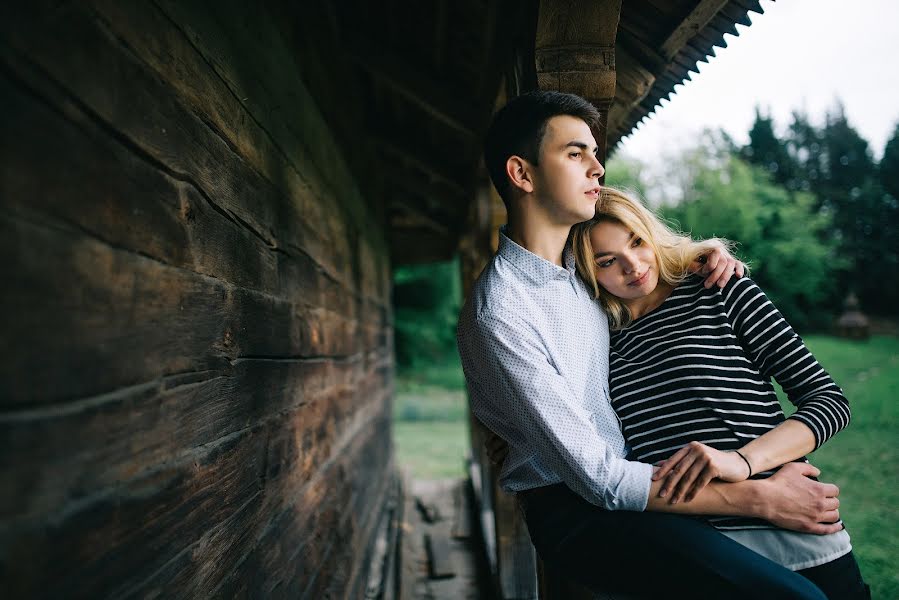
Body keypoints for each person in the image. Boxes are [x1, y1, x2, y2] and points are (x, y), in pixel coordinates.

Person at [457, 90, 842, 599]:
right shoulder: (502, 310)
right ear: (522, 175)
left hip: (637, 494)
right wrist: (759, 497)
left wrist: (700, 254)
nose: (597, 167)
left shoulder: (581, 280)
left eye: (595, 153)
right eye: (575, 153)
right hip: (583, 512)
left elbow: (636, 261)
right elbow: (598, 479)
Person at [566, 189, 868, 598]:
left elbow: (829, 401)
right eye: (607, 261)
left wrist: (742, 461)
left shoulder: (719, 288)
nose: (633, 266)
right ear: (587, 271)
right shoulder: (597, 339)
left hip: (795, 524)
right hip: (695, 549)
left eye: (637, 241)